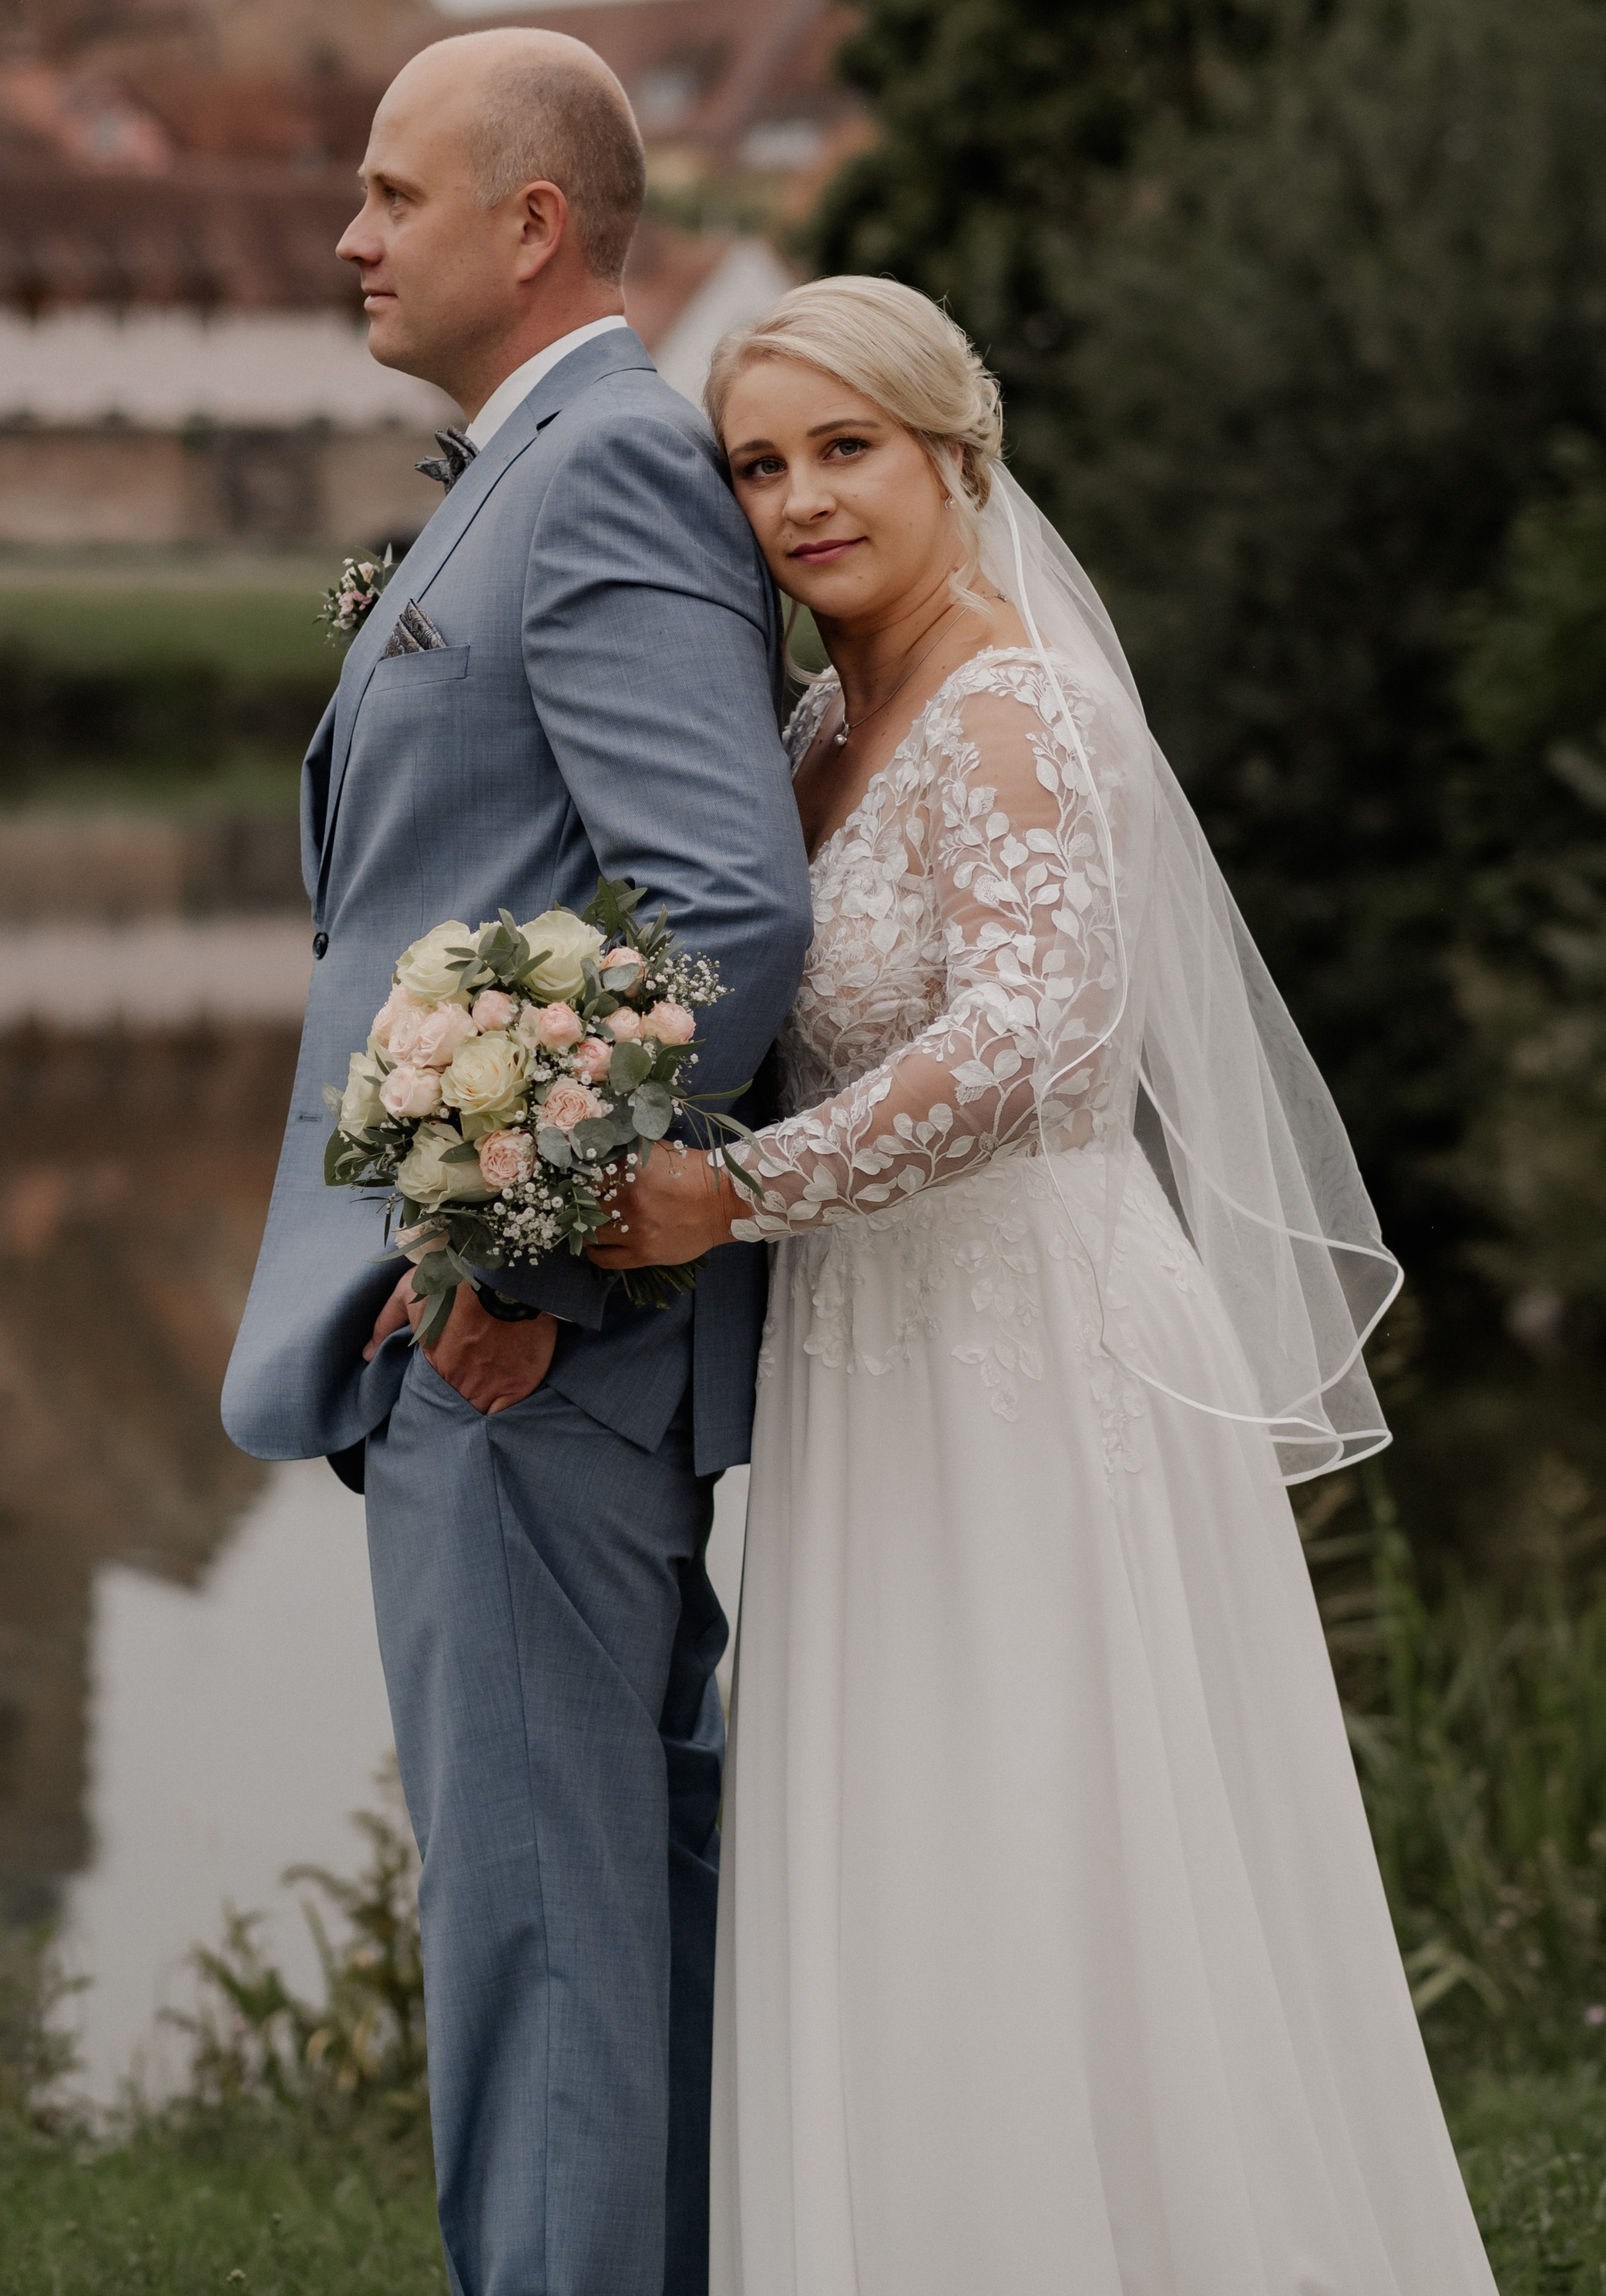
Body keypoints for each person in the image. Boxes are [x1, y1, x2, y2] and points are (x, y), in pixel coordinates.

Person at [595, 276, 1499, 2294]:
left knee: (1050, 1834)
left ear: (956, 458)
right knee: (904, 1844)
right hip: (867, 1356)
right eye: (762, 463)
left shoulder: (1024, 704)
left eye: (849, 450)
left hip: (1028, 1343)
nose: (804, 498)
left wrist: (733, 1193)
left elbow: (1035, 1040)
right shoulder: (825, 726)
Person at [222, 29, 812, 2296]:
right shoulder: (520, 466)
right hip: (519, 1354)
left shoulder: (606, 473)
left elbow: (725, 905)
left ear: (533, 221)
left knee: (545, 1954)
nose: (352, 235)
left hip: (526, 1361)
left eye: (392, 193)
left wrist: (519, 1259)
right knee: (608, 1921)